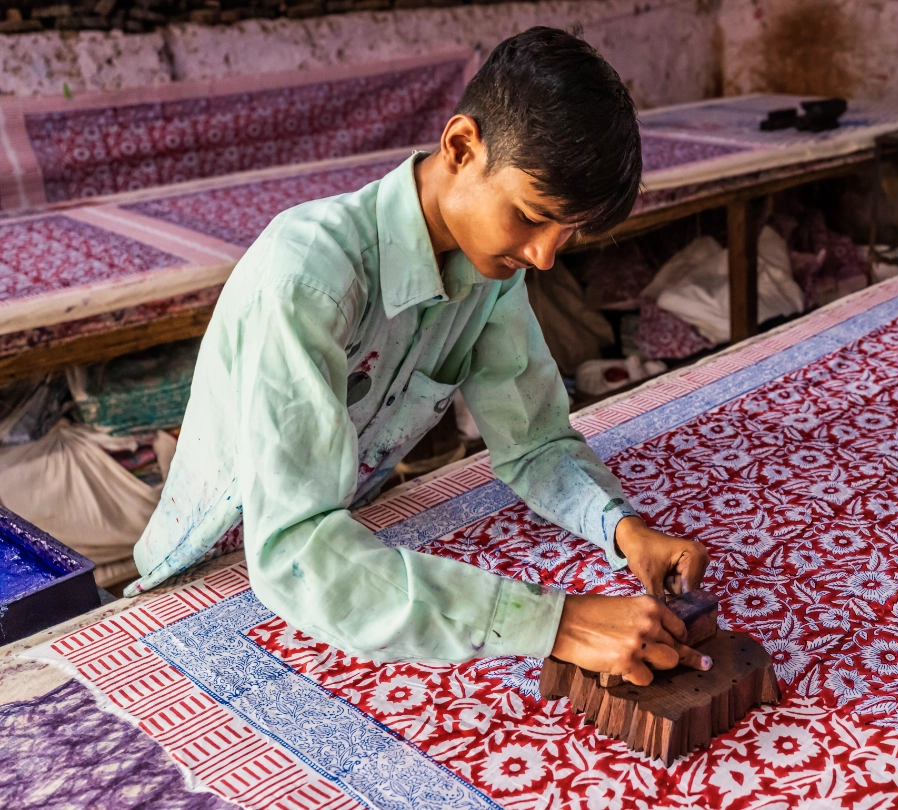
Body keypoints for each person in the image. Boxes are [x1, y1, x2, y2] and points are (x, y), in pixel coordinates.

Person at [126, 27, 712, 686]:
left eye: (567, 232)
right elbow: (290, 551)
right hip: (216, 576)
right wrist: (555, 622)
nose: (547, 255)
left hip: (343, 550)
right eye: (530, 215)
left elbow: (534, 442)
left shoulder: (491, 275)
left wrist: (623, 529)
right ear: (462, 147)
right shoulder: (309, 277)